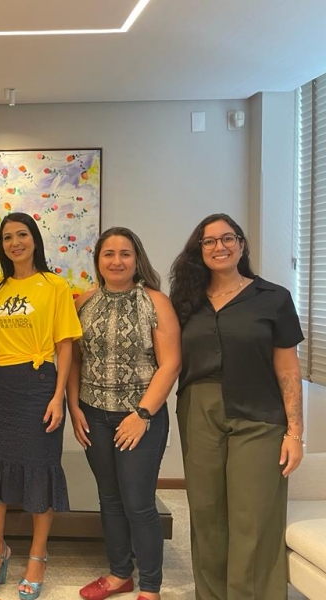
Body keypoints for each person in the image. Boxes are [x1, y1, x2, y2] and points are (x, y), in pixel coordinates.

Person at [169, 213, 304, 600]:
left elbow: (288, 368)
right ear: (199, 250)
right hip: (199, 410)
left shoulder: (274, 297)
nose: (220, 247)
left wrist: (295, 432)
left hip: (260, 415)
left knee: (254, 516)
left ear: (241, 245)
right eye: (209, 241)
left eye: (228, 238)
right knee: (206, 512)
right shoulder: (185, 302)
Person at [0, 212, 82, 600]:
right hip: (1, 388)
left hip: (39, 385)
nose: (14, 243)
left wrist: (58, 397)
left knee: (40, 469)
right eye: (7, 238)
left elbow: (65, 346)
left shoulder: (54, 286)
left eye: (22, 235)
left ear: (34, 240)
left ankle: (37, 556)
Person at [67, 227, 181, 600]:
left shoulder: (156, 302)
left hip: (141, 418)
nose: (117, 261)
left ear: (136, 259)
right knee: (109, 497)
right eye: (109, 254)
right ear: (98, 260)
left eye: (125, 254)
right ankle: (119, 574)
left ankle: (150, 586)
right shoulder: (83, 302)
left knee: (138, 501)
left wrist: (142, 415)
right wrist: (73, 407)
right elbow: (74, 360)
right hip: (93, 415)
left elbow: (170, 364)